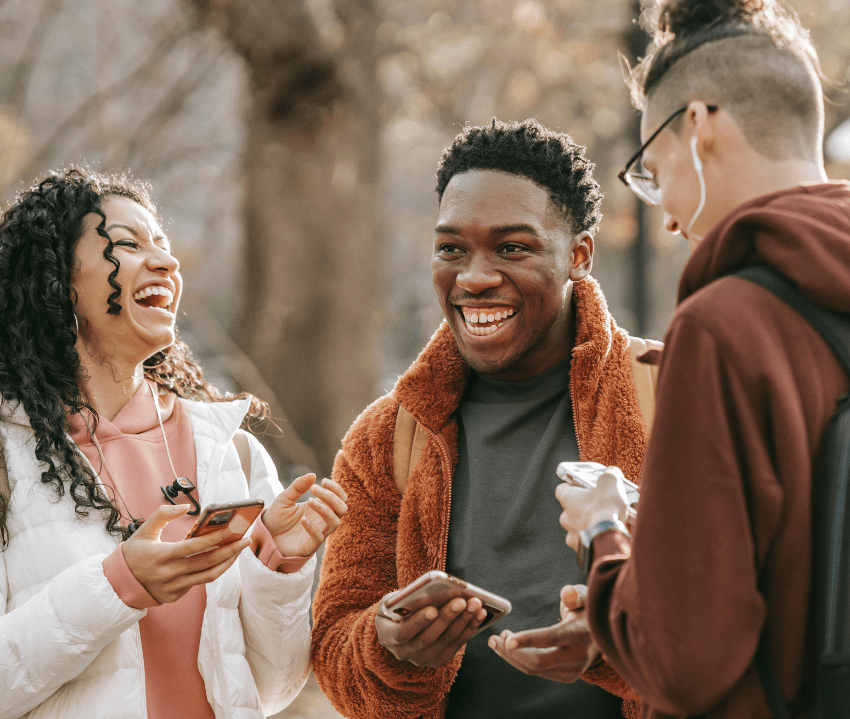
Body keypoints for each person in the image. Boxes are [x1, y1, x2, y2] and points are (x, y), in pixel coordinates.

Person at [556, 0, 850, 716]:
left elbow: (683, 660)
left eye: (653, 171)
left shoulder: (724, 329)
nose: (667, 214)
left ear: (698, 125)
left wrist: (605, 532)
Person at [312, 118, 660, 719]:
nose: (473, 277)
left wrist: (611, 641)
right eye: (452, 248)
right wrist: (390, 645)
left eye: (512, 248)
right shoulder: (386, 438)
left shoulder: (671, 394)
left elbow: (736, 623)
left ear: (579, 255)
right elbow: (335, 650)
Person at [0, 168, 348, 719]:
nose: (167, 262)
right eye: (127, 246)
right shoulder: (7, 457)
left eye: (162, 244)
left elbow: (272, 687)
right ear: (56, 282)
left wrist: (280, 566)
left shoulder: (230, 451)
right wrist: (119, 586)